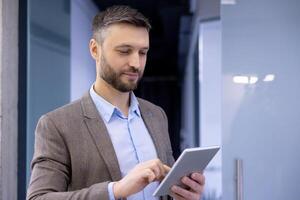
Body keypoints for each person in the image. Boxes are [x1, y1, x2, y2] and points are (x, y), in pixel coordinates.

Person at [27, 5, 205, 200]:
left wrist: (183, 192)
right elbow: (38, 198)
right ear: (95, 50)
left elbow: (166, 188)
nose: (136, 63)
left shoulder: (156, 115)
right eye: (124, 51)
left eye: (142, 52)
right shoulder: (56, 125)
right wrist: (116, 190)